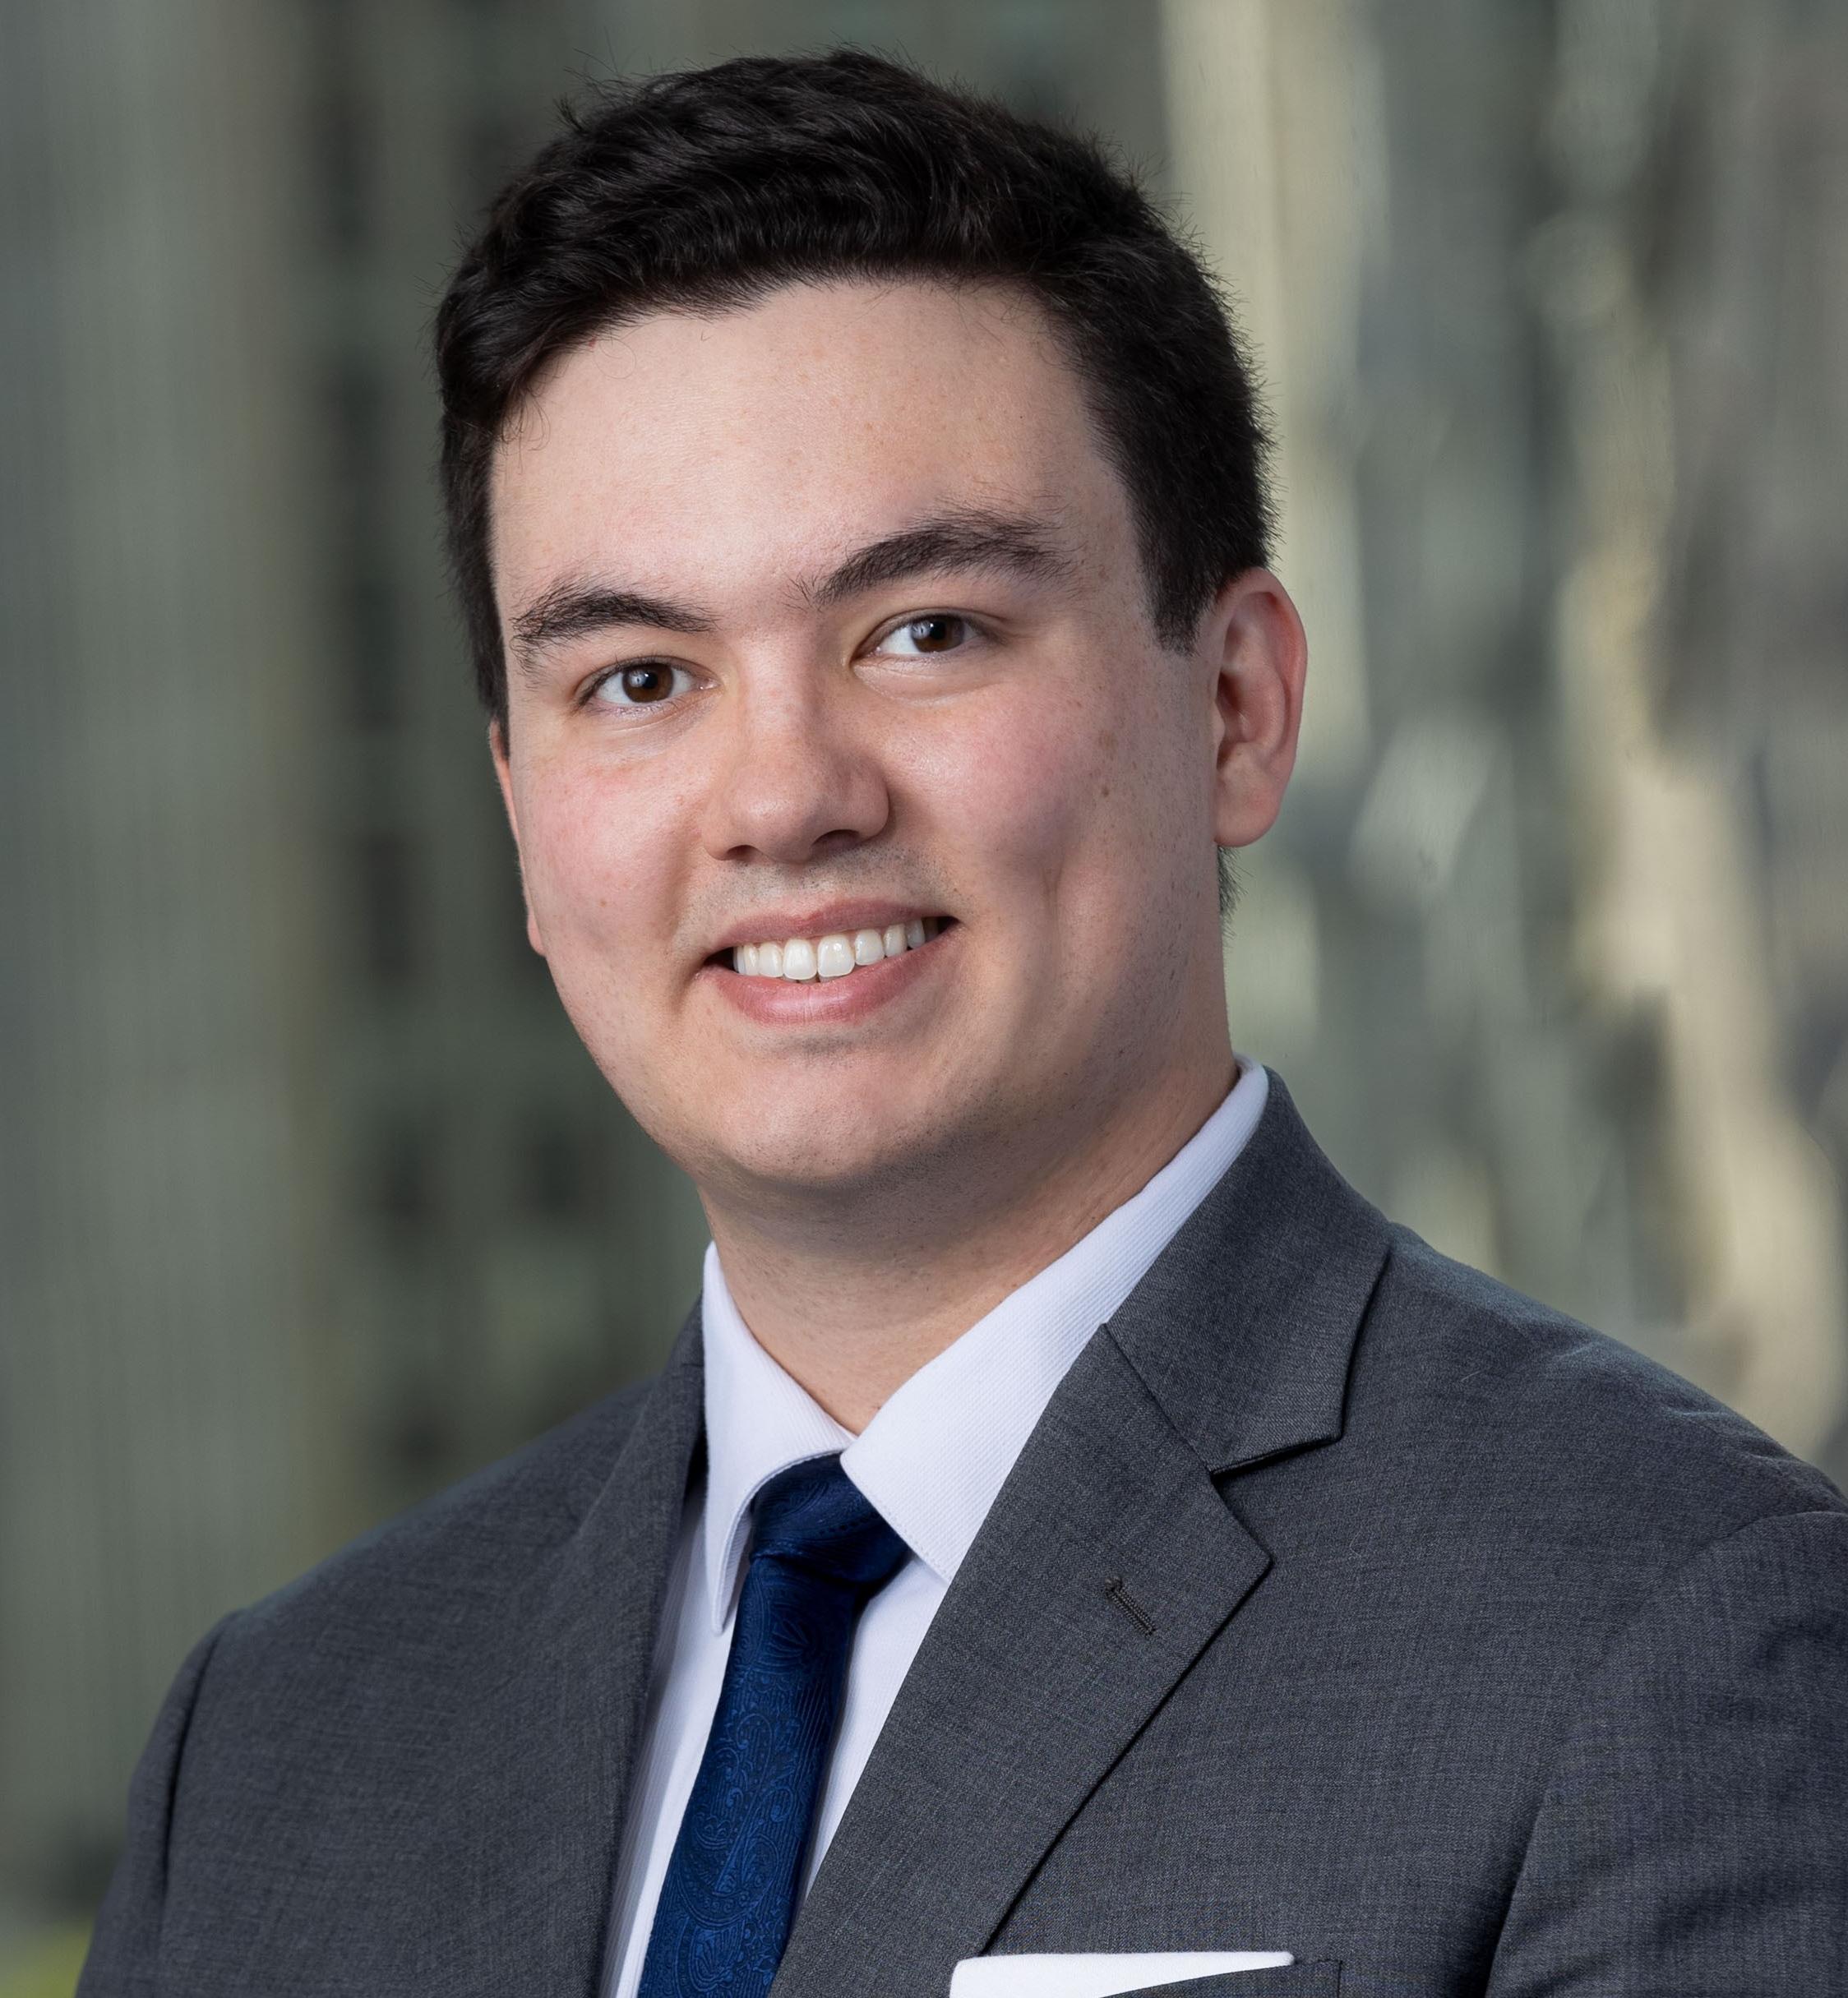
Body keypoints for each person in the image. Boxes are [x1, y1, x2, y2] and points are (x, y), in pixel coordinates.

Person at [81, 49, 1847, 1998]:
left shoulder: (1665, 1631)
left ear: (1237, 706)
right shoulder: (274, 1747)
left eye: (921, 631)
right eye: (641, 677)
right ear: (518, 808)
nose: (783, 795)